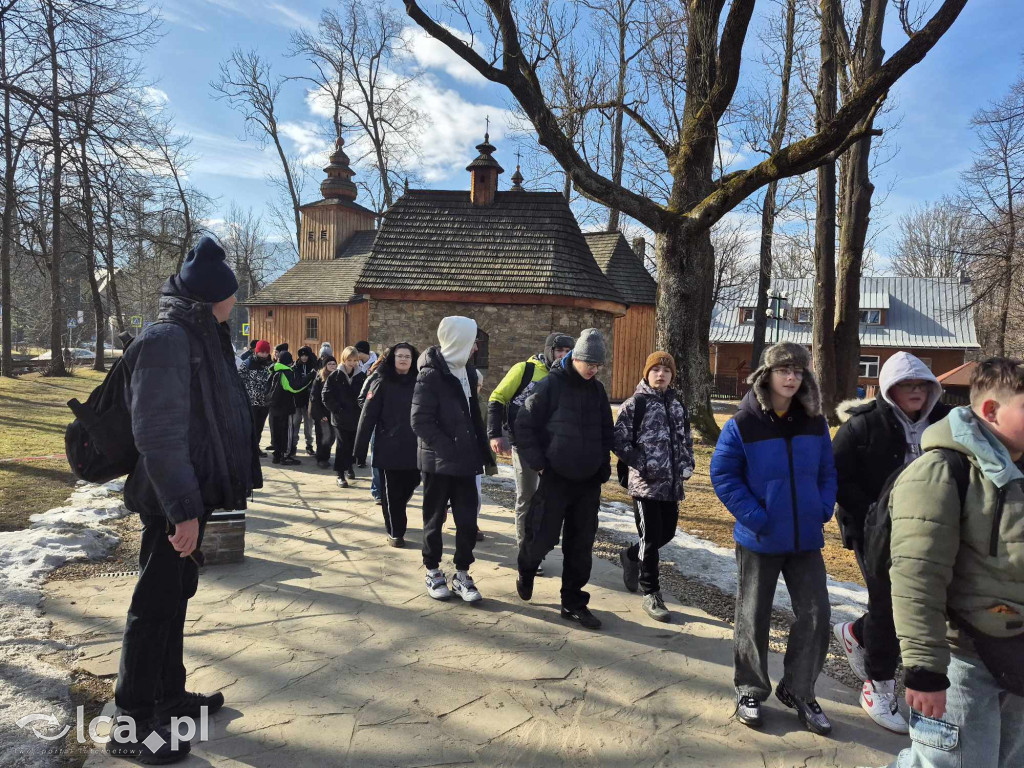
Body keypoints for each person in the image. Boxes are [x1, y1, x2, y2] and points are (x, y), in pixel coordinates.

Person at [108, 236, 261, 763]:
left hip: (189, 497)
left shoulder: (200, 335)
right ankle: (130, 723)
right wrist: (183, 511)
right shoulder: (168, 340)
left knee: (174, 601)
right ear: (211, 297)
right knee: (152, 609)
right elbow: (159, 434)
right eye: (231, 296)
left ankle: (168, 698)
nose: (235, 303)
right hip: (168, 502)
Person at [886, 358, 1024, 768]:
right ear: (991, 411)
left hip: (1015, 657)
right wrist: (926, 672)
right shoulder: (941, 471)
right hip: (960, 660)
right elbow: (916, 576)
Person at [709, 341, 837, 735]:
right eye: (784, 370)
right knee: (753, 616)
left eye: (798, 371)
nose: (792, 377)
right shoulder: (743, 423)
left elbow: (827, 472)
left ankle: (799, 690)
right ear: (767, 374)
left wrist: (822, 508)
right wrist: (756, 517)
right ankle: (750, 688)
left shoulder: (814, 422)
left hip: (804, 540)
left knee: (817, 615)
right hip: (760, 538)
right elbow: (723, 474)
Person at [831, 351, 950, 734]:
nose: (916, 392)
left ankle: (858, 633)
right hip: (874, 528)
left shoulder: (946, 421)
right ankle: (878, 686)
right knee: (890, 604)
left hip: (932, 528)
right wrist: (873, 513)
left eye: (921, 385)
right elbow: (837, 476)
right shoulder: (861, 426)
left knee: (923, 603)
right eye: (907, 385)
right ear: (889, 389)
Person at [514, 329, 614, 630]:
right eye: (590, 364)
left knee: (581, 544)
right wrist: (540, 464)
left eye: (598, 366)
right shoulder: (550, 385)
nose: (594, 370)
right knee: (542, 536)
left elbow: (605, 431)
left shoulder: (597, 390)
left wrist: (603, 466)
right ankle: (527, 568)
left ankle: (573, 602)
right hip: (556, 477)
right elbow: (524, 425)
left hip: (587, 482)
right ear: (577, 358)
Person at [411, 316, 493, 602]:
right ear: (459, 341)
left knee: (468, 521)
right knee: (434, 519)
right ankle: (433, 570)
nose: (475, 348)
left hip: (467, 462)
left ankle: (462, 573)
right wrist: (449, 449)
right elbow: (420, 421)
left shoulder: (469, 373)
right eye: (472, 342)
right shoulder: (429, 374)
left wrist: (482, 450)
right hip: (439, 462)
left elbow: (472, 418)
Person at [613, 351, 695, 622]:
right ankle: (651, 592)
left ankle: (629, 555)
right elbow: (619, 441)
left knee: (667, 533)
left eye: (666, 371)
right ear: (647, 373)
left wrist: (687, 463)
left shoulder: (676, 405)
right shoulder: (635, 404)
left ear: (672, 375)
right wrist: (643, 464)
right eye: (656, 370)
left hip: (672, 484)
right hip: (645, 484)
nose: (661, 374)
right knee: (650, 539)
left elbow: (686, 439)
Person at [487, 332, 575, 566]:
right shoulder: (525, 369)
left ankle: (540, 546)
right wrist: (495, 434)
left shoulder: (568, 377)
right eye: (559, 351)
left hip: (554, 448)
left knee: (549, 500)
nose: (563, 356)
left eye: (568, 352)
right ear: (549, 350)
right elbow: (497, 397)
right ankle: (526, 553)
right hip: (524, 443)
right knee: (527, 496)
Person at [354, 343, 420, 546]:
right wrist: (360, 448)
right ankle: (395, 532)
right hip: (388, 444)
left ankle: (398, 512)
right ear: (392, 358)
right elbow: (367, 415)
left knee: (412, 483)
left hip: (414, 445)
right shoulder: (381, 381)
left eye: (407, 356)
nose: (403, 359)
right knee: (391, 493)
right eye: (399, 356)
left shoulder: (419, 382)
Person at [322, 346, 365, 487]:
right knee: (342, 445)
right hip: (340, 418)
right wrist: (337, 409)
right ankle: (340, 473)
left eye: (354, 360)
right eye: (349, 360)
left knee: (353, 445)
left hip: (355, 417)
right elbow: (326, 395)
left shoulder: (361, 376)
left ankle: (350, 467)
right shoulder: (335, 376)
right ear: (344, 360)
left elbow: (365, 394)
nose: (352, 363)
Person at [267, 350, 310, 466]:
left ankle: (277, 455)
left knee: (276, 432)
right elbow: (294, 388)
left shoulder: (273, 370)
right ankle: (286, 456)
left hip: (273, 407)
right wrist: (310, 377)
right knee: (286, 431)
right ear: (289, 361)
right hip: (285, 408)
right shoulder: (286, 372)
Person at [239, 340, 273, 457]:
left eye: (266, 352)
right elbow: (239, 380)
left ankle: (256, 447)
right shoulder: (247, 363)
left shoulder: (270, 365)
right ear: (256, 351)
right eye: (261, 352)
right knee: (250, 426)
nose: (264, 355)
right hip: (251, 401)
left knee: (259, 426)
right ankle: (248, 448)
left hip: (264, 402)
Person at [290, 346, 318, 457]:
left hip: (309, 402)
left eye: (306, 355)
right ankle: (293, 445)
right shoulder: (296, 366)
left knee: (308, 426)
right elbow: (298, 382)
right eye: (302, 355)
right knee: (295, 424)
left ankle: (309, 445)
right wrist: (309, 376)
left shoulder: (314, 366)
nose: (304, 357)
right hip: (297, 400)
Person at [309, 355, 337, 469]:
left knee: (332, 437)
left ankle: (326, 454)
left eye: (334, 364)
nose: (332, 366)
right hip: (322, 414)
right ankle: (321, 458)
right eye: (329, 364)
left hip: (333, 413)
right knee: (324, 436)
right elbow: (314, 398)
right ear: (325, 365)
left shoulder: (338, 377)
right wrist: (320, 415)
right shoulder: (319, 378)